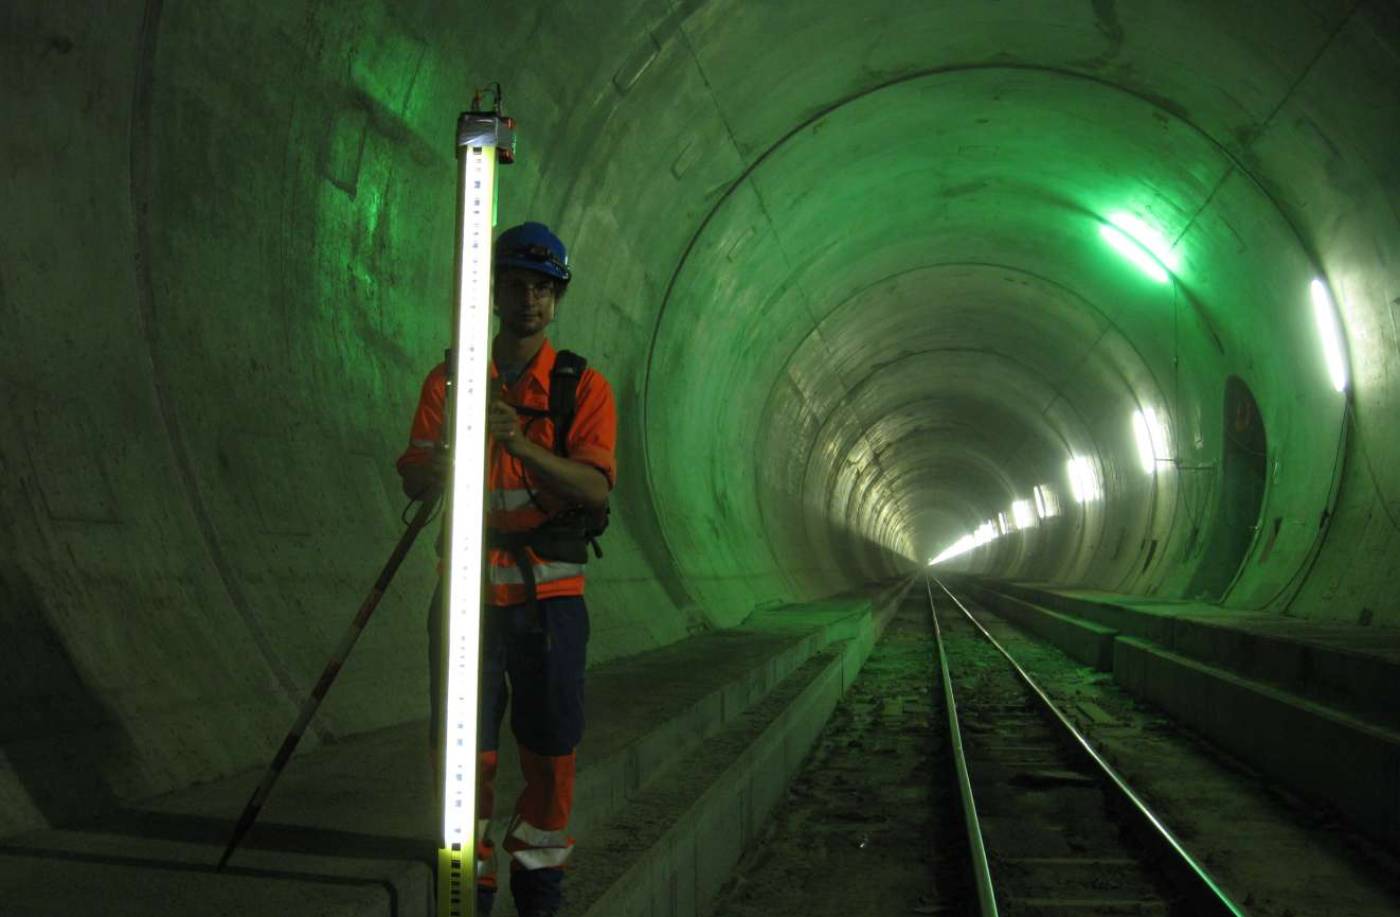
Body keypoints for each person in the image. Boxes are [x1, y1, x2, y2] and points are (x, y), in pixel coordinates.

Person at [395, 221, 617, 917]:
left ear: (557, 298)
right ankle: (472, 881)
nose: (530, 300)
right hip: (465, 594)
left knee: (551, 752)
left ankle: (539, 885)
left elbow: (595, 487)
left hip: (549, 601)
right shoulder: (452, 377)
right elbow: (414, 468)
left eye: (543, 288)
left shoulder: (580, 385)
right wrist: (432, 464)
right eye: (517, 285)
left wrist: (517, 442)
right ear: (494, 292)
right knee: (467, 754)